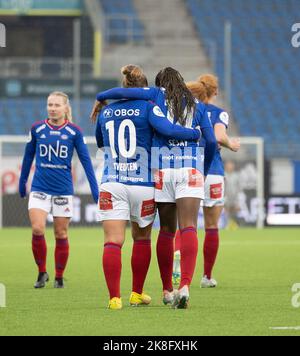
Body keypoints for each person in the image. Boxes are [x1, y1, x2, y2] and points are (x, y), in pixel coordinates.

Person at [94, 67, 217, 309]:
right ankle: (184, 285)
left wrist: (101, 98)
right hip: (186, 169)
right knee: (188, 227)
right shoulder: (197, 106)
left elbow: (120, 98)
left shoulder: (155, 97)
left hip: (159, 170)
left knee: (167, 232)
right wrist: (204, 162)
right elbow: (211, 141)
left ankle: (165, 290)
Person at [19, 91, 99, 289]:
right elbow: (28, 156)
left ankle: (59, 276)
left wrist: (94, 188)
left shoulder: (74, 132)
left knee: (60, 234)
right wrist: (22, 181)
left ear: (65, 108)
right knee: (37, 228)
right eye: (50, 104)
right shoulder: (37, 129)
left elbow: (86, 161)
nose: (52, 108)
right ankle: (41, 272)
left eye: (56, 105)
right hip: (40, 188)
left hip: (63, 190)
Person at [172, 75, 240, 288]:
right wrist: (231, 144)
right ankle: (207, 276)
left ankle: (177, 255)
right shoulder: (219, 113)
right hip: (212, 171)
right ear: (214, 91)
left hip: (188, 168)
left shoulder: (185, 111)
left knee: (185, 223)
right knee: (211, 225)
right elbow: (218, 137)